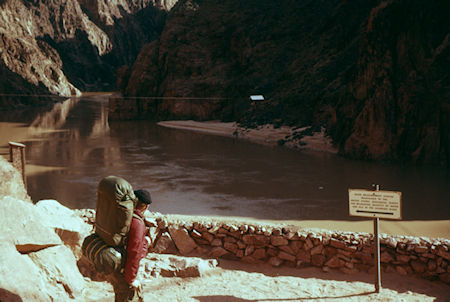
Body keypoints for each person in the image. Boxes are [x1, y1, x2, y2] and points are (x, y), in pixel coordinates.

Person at [109, 189, 152, 302]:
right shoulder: (137, 223)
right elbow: (134, 253)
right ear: (145, 207)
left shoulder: (122, 216)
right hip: (125, 270)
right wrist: (131, 279)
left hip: (116, 265)